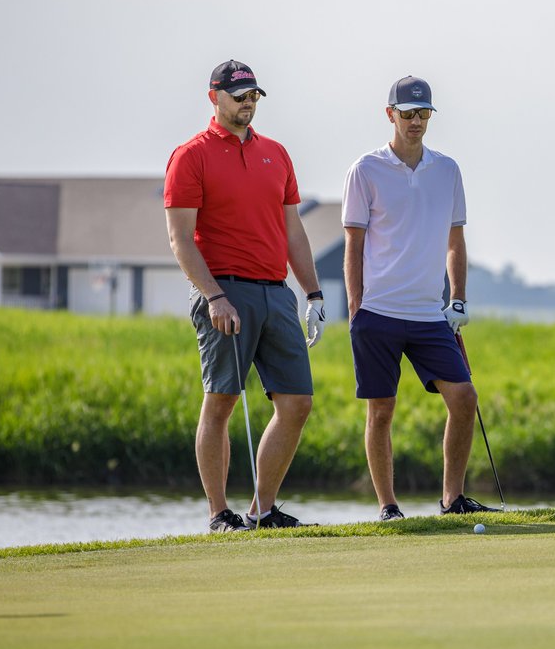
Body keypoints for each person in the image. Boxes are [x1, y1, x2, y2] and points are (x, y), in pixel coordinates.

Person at [165, 59, 326, 532]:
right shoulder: (190, 156)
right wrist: (214, 297)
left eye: (254, 96)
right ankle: (219, 514)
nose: (247, 104)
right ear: (214, 97)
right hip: (225, 291)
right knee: (221, 402)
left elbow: (292, 230)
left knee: (297, 402)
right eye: (239, 96)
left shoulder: (276, 153)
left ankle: (262, 509)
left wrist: (313, 293)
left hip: (277, 293)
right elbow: (180, 239)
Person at [342, 75, 498, 521]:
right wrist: (355, 307)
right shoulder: (365, 170)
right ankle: (389, 507)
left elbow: (455, 240)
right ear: (389, 114)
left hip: (430, 315)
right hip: (377, 312)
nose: (416, 122)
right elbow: (353, 243)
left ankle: (452, 499)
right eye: (407, 114)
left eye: (423, 114)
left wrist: (460, 298)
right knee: (382, 411)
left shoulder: (446, 170)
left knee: (464, 397)